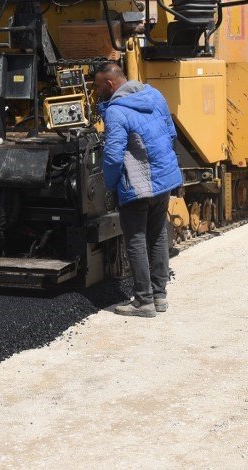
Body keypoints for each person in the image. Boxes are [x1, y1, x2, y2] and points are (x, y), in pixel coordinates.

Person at [94, 61, 183, 318]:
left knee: (135, 240)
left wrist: (111, 186)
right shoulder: (154, 95)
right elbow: (170, 133)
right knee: (157, 236)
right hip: (163, 180)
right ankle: (159, 296)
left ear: (110, 84)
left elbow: (112, 156)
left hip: (137, 184)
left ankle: (143, 301)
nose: (97, 91)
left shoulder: (116, 112)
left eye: (99, 86)